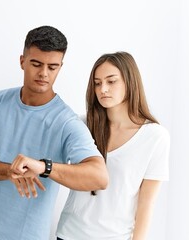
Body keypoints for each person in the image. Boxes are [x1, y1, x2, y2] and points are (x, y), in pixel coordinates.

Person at [0, 25, 109, 239]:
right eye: (36, 64)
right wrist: (11, 171)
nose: (44, 73)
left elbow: (99, 177)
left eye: (52, 67)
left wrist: (44, 167)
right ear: (22, 61)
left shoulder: (67, 122)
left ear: (60, 67)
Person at [56, 52, 170, 240]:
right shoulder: (81, 126)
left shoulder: (155, 137)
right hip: (69, 234)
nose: (103, 89)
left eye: (111, 81)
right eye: (97, 83)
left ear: (129, 82)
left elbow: (146, 204)